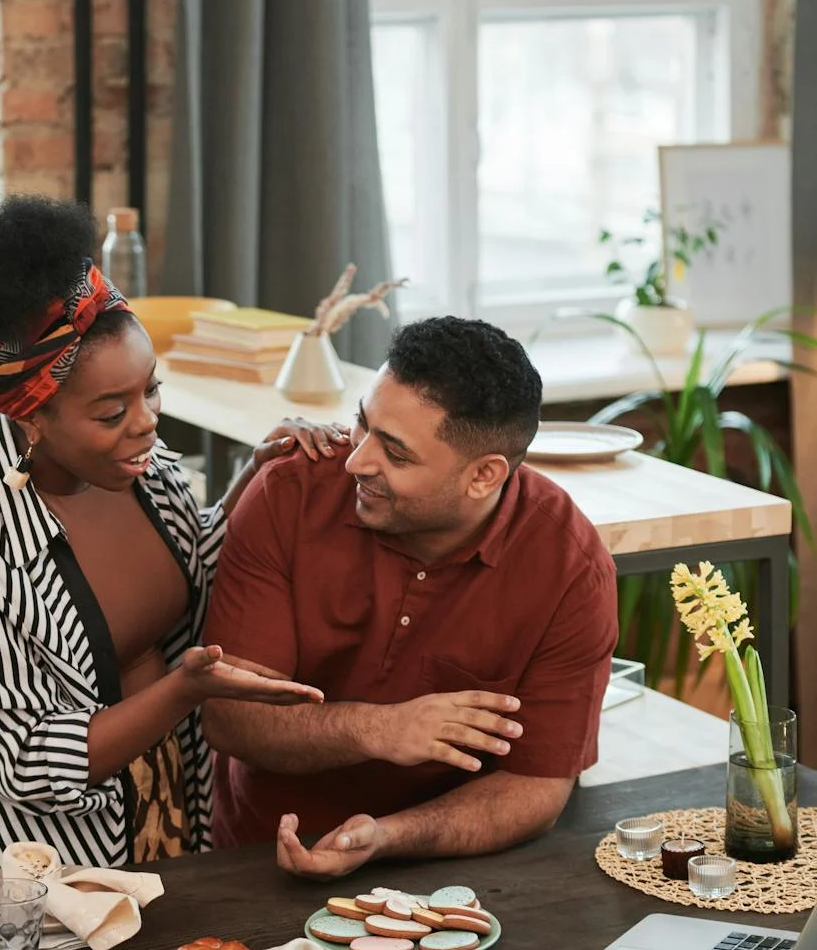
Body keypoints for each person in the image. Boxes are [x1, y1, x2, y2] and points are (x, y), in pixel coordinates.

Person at [0, 196, 336, 898]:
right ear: (31, 413)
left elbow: (189, 571)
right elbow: (27, 762)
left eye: (151, 391)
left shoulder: (148, 474)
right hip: (17, 879)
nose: (146, 427)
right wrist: (183, 689)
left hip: (158, 828)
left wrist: (260, 472)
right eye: (111, 412)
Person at [200, 316, 618, 877]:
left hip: (457, 867)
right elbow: (230, 716)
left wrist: (387, 838)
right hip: (260, 857)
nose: (356, 460)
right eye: (362, 423)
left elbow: (537, 785)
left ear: (483, 476)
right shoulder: (288, 492)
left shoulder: (570, 566)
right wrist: (382, 728)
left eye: (395, 453)